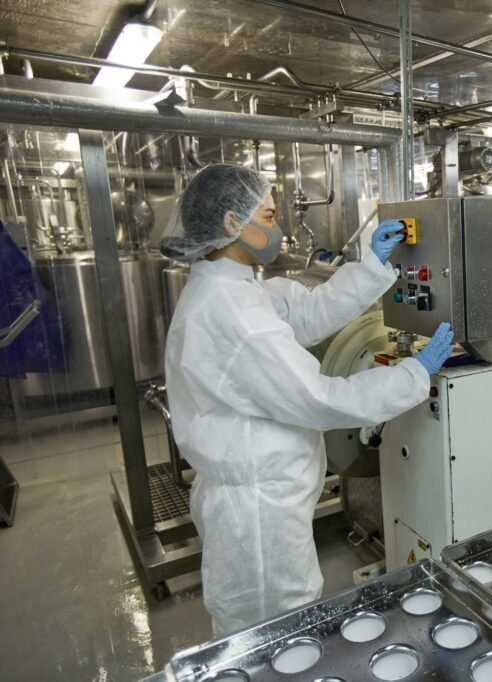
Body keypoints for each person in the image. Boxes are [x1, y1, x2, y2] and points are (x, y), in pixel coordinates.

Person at [160, 163, 452, 637]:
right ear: (233, 223)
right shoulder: (234, 314)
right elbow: (321, 399)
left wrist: (373, 266)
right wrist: (413, 375)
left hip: (259, 498)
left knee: (266, 631)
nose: (279, 229)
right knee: (276, 633)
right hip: (259, 517)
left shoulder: (231, 286)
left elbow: (306, 312)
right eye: (270, 216)